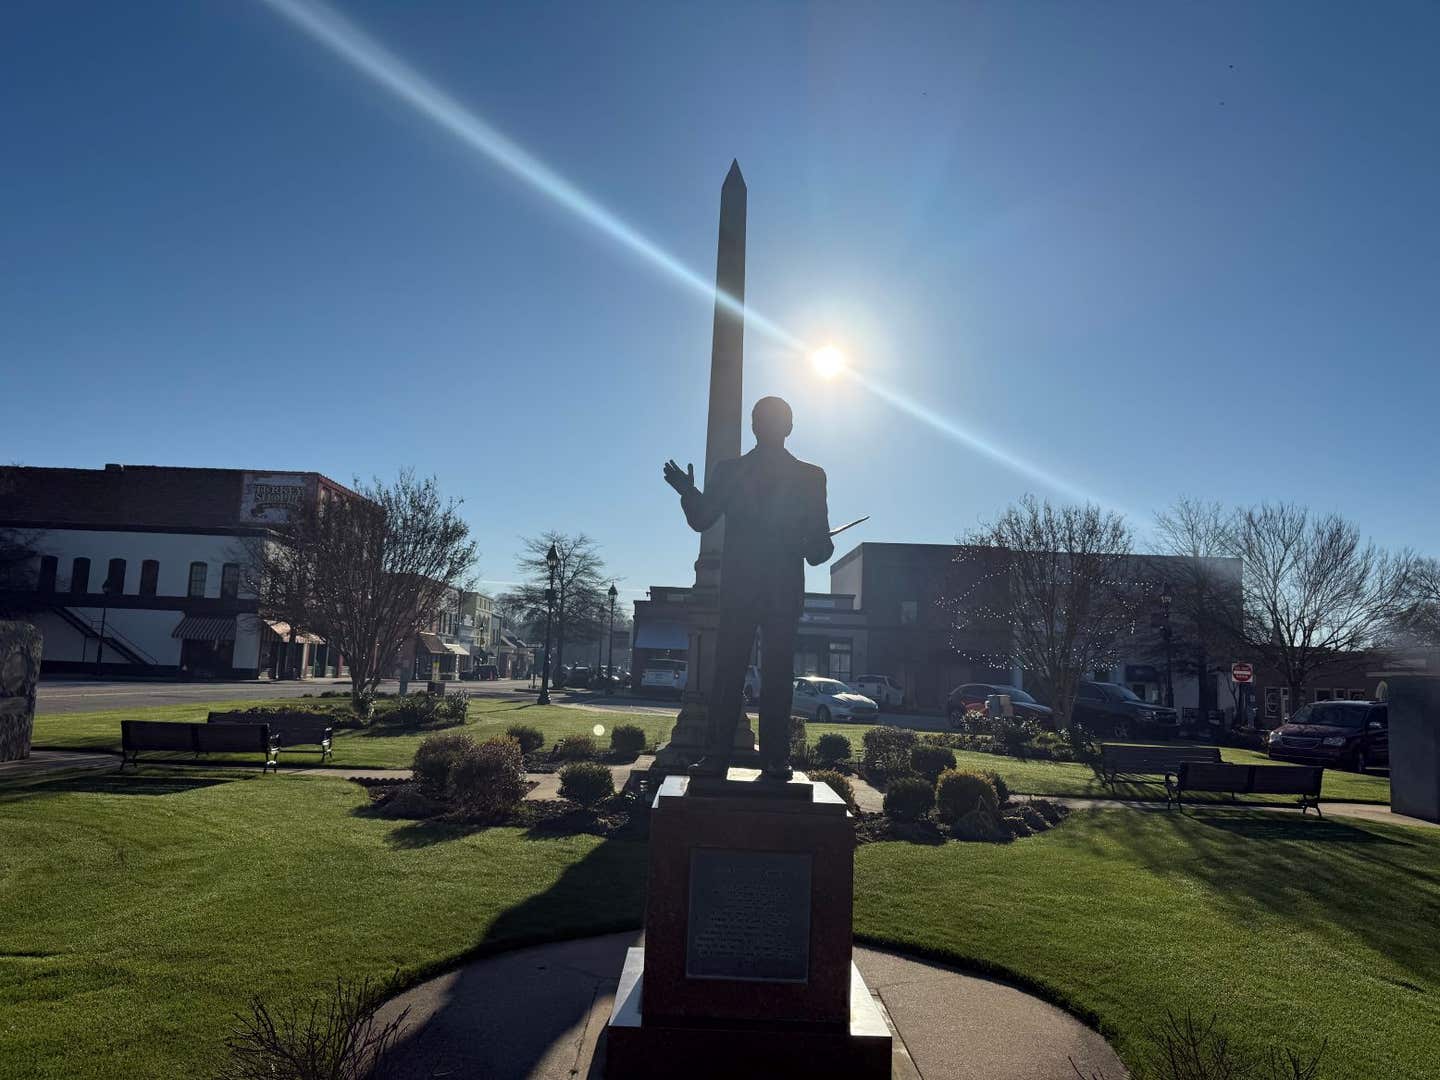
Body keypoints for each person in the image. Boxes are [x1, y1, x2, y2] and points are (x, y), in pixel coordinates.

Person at [663, 396, 834, 781]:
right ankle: (760, 758)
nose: (769, 426)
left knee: (741, 674)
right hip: (760, 590)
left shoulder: (801, 476)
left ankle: (735, 757)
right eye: (766, 420)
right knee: (745, 674)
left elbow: (819, 547)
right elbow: (821, 549)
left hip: (760, 590)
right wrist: (688, 491)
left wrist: (687, 491)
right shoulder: (795, 475)